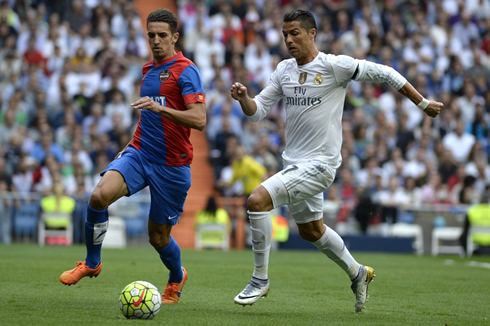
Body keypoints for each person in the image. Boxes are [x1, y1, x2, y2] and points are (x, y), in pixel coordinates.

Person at [230, 9, 442, 312]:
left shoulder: (334, 66)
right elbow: (257, 112)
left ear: (312, 33)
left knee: (257, 200)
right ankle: (358, 273)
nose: (288, 39)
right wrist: (244, 99)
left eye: (295, 33)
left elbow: (385, 72)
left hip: (320, 166)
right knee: (311, 231)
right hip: (294, 164)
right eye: (285, 34)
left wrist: (421, 102)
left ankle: (260, 279)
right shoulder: (284, 70)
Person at [59, 9, 206, 305]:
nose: (155, 40)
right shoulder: (147, 70)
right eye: (151, 35)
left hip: (172, 165)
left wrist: (160, 108)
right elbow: (148, 116)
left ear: (175, 37)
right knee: (99, 196)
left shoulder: (187, 70)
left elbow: (199, 119)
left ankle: (177, 276)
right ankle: (91, 262)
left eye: (162, 35)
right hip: (140, 153)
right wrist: (130, 143)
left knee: (158, 238)